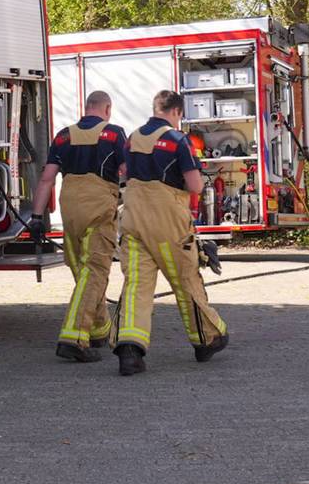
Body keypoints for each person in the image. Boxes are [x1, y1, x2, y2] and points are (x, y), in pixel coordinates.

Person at [112, 90, 228, 376]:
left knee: (136, 284)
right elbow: (195, 186)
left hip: (134, 217)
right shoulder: (179, 140)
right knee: (184, 278)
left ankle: (130, 349)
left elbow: (125, 173)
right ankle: (207, 338)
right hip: (168, 221)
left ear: (155, 109)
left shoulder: (133, 138)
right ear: (176, 112)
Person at [29, 91, 128, 363]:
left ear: (86, 108)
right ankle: (74, 337)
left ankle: (100, 329)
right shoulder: (114, 134)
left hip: (70, 208)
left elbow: (47, 178)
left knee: (83, 272)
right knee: (95, 270)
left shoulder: (63, 135)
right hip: (99, 207)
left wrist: (37, 217)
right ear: (107, 108)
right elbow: (127, 173)